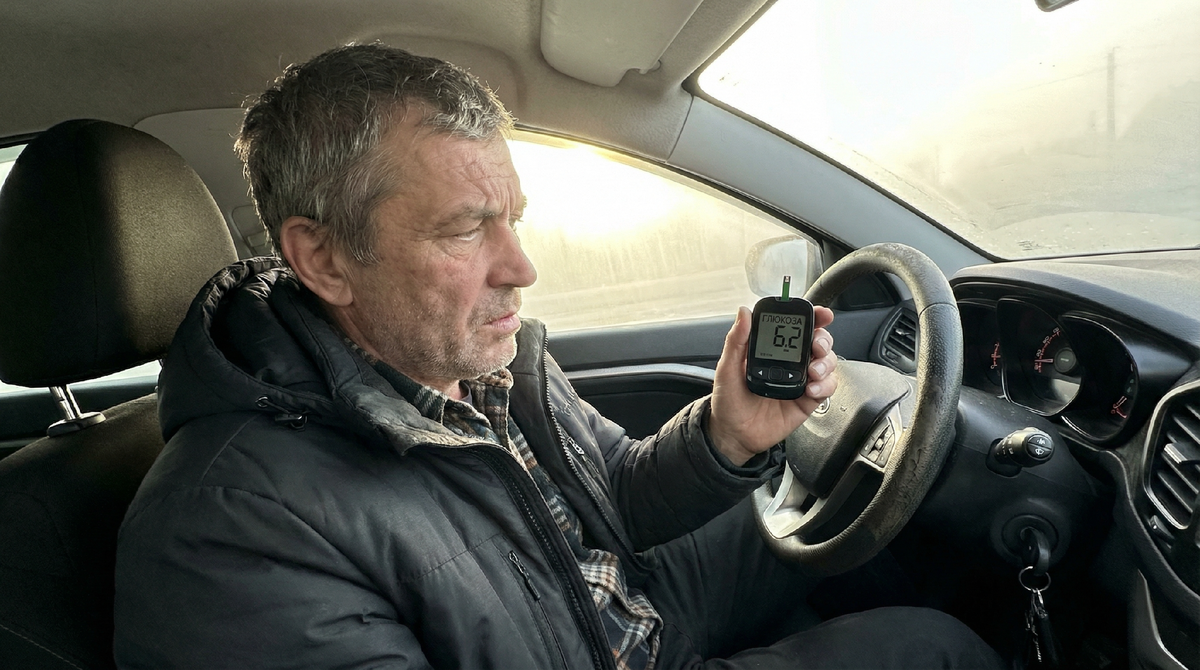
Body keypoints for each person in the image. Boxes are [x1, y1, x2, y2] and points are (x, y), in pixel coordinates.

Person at [113, 43, 1003, 669]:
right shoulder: (226, 531)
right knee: (932, 648)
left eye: (514, 220)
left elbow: (615, 497)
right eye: (465, 230)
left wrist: (729, 435)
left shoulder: (477, 366)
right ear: (324, 259)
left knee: (858, 513)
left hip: (617, 608)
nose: (522, 269)